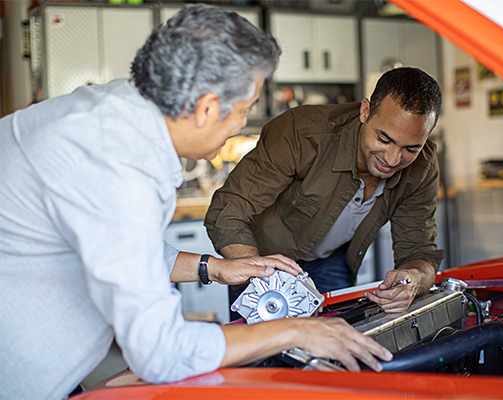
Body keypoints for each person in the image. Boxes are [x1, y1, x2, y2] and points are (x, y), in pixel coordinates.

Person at [0, 5, 391, 400]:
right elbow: (161, 353)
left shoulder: (118, 111)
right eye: (245, 109)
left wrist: (217, 268)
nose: (243, 121)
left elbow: (130, 250)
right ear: (206, 108)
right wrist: (294, 330)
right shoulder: (117, 164)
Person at [205, 67, 445, 314]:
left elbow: (419, 252)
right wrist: (261, 277)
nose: (393, 159)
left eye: (411, 148)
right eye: (384, 139)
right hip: (263, 261)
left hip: (334, 262)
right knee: (262, 349)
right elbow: (227, 211)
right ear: (365, 111)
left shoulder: (422, 165)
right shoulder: (301, 132)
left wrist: (414, 280)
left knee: (331, 344)